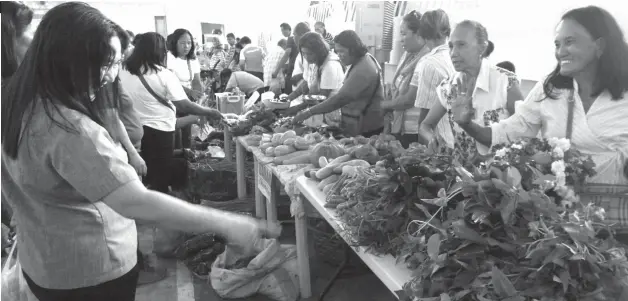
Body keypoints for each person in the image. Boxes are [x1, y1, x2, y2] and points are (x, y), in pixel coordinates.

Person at [1, 3, 280, 301]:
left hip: (44, 262)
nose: (109, 75)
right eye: (105, 63)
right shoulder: (71, 128)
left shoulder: (18, 104)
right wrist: (228, 223)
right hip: (90, 269)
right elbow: (135, 201)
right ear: (70, 57)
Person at [449, 6, 628, 229]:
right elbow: (506, 134)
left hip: (618, 222)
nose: (561, 51)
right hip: (565, 222)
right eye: (557, 43)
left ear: (600, 45)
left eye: (570, 41)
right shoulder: (550, 89)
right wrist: (466, 123)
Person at [120, 32, 222, 194]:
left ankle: (147, 199)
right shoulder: (163, 74)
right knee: (161, 173)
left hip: (133, 129)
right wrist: (210, 111)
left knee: (145, 169)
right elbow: (184, 105)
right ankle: (162, 203)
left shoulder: (122, 71)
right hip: (160, 132)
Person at [418, 20, 523, 159]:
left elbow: (525, 130)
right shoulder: (448, 86)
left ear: (482, 48)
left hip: (502, 174)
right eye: (451, 46)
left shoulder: (505, 82)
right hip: (463, 174)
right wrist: (432, 139)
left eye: (461, 45)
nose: (453, 53)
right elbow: (425, 125)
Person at [293, 30, 384, 137]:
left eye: (342, 51)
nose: (339, 55)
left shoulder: (363, 68)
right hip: (358, 123)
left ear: (353, 50)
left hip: (367, 127)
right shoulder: (361, 60)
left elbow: (340, 99)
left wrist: (308, 112)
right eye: (337, 51)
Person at [381, 10, 431, 147]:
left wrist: (383, 105)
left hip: (413, 131)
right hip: (400, 127)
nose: (400, 38)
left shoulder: (427, 61)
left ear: (419, 34)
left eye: (404, 33)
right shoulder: (408, 55)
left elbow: (409, 100)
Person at [411, 9, 456, 146]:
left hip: (440, 143)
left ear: (422, 33)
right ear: (448, 31)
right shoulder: (456, 57)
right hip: (464, 141)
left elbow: (425, 115)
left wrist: (420, 150)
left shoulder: (428, 63)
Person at [286, 32, 344, 127]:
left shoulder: (330, 65)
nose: (306, 57)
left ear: (319, 51)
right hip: (317, 113)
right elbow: (306, 83)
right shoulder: (313, 62)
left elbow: (322, 98)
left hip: (330, 116)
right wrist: (288, 99)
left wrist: (297, 109)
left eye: (310, 54)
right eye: (303, 53)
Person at [167, 28, 204, 149]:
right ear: (175, 43)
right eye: (182, 43)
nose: (186, 46)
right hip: (174, 100)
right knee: (176, 131)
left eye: (189, 43)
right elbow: (169, 81)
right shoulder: (170, 57)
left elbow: (197, 80)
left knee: (187, 131)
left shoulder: (192, 59)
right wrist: (190, 92)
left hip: (188, 100)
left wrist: (200, 96)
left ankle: (187, 157)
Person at [274, 22, 310, 94]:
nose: (282, 32)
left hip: (294, 74)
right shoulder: (302, 51)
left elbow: (287, 54)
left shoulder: (290, 39)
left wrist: (276, 71)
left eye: (283, 30)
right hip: (299, 74)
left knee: (289, 93)